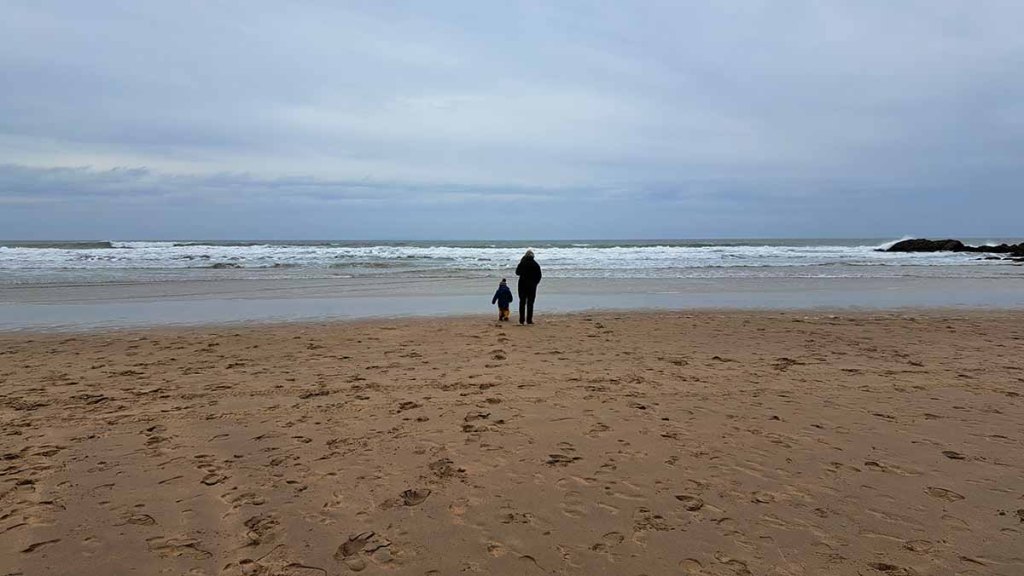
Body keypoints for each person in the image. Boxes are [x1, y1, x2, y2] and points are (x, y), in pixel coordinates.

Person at [515, 249, 542, 325]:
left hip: (522, 285)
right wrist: (535, 283)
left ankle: (521, 320)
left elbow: (517, 272)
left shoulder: (522, 263)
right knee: (530, 303)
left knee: (522, 302)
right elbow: (539, 276)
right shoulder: (535, 264)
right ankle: (529, 320)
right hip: (532, 286)